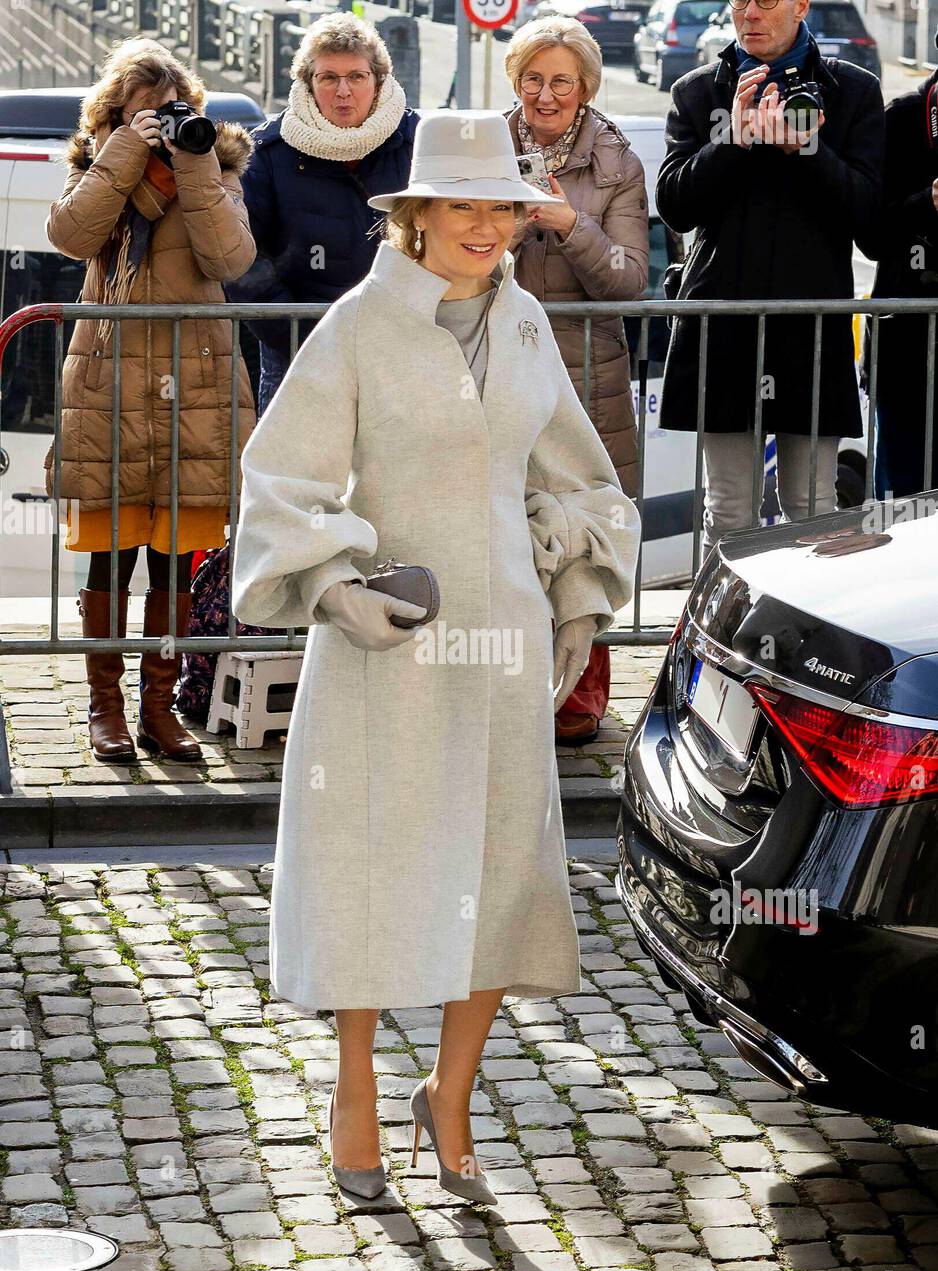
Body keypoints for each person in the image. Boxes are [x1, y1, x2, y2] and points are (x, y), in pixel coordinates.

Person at [231, 111, 640, 1204]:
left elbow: (582, 478)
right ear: (413, 215)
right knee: (370, 870)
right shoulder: (359, 326)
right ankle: (354, 1084)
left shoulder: (523, 326)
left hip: (504, 643)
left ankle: (449, 1096)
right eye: (460, 202)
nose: (483, 224)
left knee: (498, 875)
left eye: (500, 205)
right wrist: (331, 587)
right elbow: (279, 480)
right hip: (385, 648)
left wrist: (572, 597)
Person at [46, 37, 256, 763]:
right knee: (110, 561)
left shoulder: (217, 167)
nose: (160, 125)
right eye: (144, 115)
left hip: (192, 397)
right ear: (114, 116)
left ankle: (158, 708)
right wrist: (123, 155)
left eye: (171, 112)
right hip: (109, 395)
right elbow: (72, 238)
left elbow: (229, 259)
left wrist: (192, 162)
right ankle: (104, 707)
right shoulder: (95, 168)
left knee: (172, 562)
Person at [657, 0, 884, 552]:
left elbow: (870, 222)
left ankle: (805, 638)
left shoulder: (852, 90)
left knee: (814, 509)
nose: (749, 14)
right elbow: (675, 206)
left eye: (766, 1)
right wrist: (732, 139)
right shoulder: (696, 90)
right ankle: (732, 636)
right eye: (738, 1)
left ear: (801, 4)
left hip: (811, 327)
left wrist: (804, 149)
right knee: (729, 508)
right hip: (723, 323)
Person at [504, 16, 649, 744]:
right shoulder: (486, 144)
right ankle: (511, 680)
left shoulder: (616, 160)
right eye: (533, 78)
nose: (546, 93)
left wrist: (568, 224)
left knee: (583, 524)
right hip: (498, 364)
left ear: (585, 86)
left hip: (587, 372)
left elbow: (627, 282)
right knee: (506, 525)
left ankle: (580, 691)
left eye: (562, 80)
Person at [226, 13, 418, 415]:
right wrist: (296, 331)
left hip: (400, 347)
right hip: (298, 350)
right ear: (309, 84)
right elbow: (241, 257)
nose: (343, 91)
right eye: (329, 78)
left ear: (378, 80)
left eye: (357, 77)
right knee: (293, 475)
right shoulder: (268, 151)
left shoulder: (416, 141)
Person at [867, 28, 938, 500]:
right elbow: (871, 234)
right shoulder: (903, 118)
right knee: (904, 517)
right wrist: (927, 202)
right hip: (907, 358)